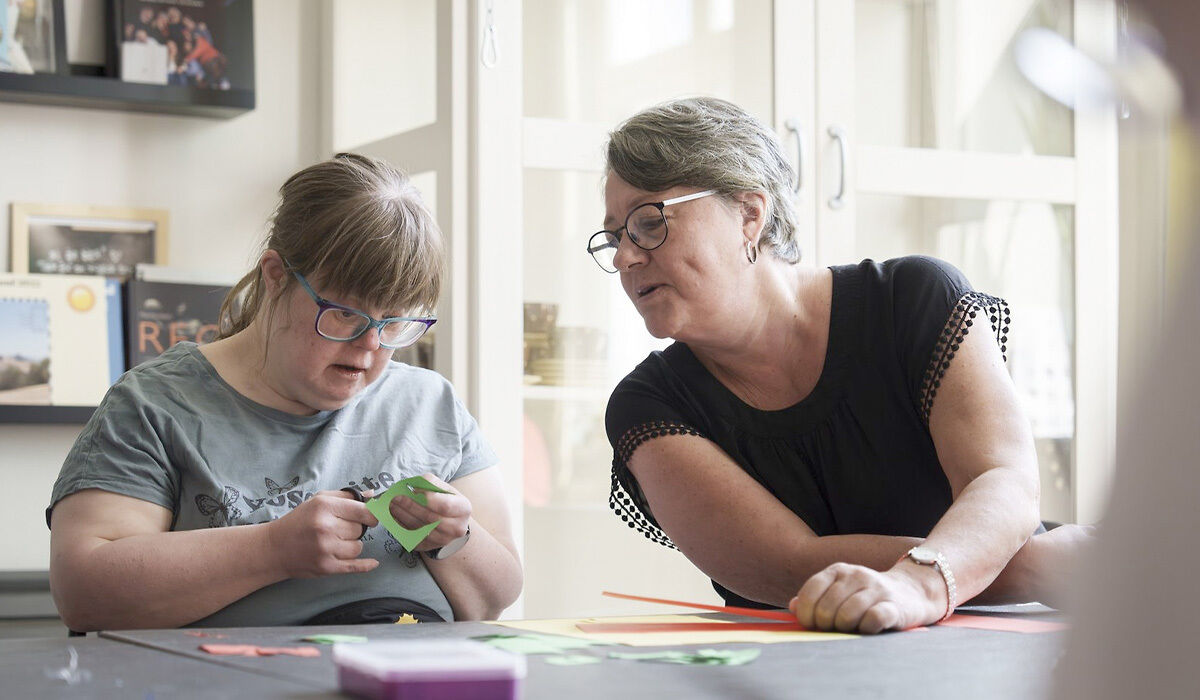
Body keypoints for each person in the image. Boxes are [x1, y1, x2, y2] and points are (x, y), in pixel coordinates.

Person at [592, 97, 1091, 634]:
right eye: (616, 236)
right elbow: (787, 564)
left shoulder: (913, 299)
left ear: (749, 214)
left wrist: (920, 584)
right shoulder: (647, 404)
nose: (625, 256)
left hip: (1008, 648)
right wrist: (1038, 565)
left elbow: (1002, 479)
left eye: (648, 223)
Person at [47, 153, 523, 631]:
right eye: (345, 314)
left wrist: (456, 538)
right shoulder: (154, 405)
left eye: (395, 322)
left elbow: (494, 599)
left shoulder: (429, 403)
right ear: (275, 276)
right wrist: (270, 550)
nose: (370, 346)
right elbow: (85, 593)